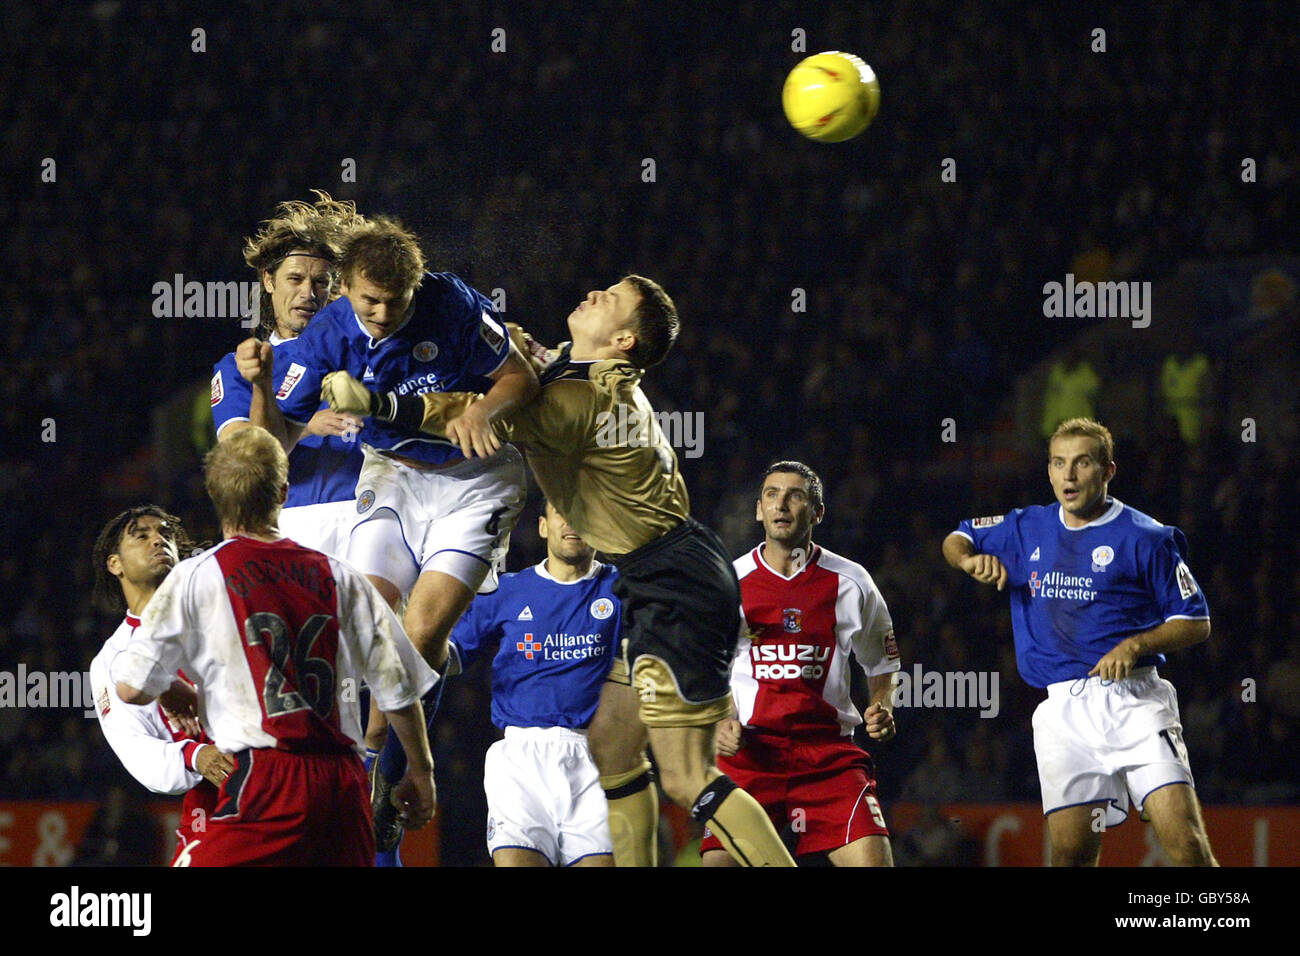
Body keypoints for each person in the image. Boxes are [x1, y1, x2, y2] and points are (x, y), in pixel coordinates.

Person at [323, 276, 798, 866]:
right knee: (616, 756)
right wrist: (523, 356)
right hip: (658, 577)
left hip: (675, 584)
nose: (595, 293)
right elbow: (539, 370)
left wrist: (375, 402)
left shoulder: (581, 402)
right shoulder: (586, 378)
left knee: (685, 779)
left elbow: (467, 415)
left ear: (623, 340)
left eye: (613, 298)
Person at [236, 214, 539, 862]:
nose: (380, 313)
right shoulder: (326, 335)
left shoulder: (451, 302)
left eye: (393, 301)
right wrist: (265, 388)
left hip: (477, 484)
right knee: (368, 624)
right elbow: (275, 438)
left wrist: (486, 407)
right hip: (395, 478)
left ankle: (379, 773)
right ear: (346, 287)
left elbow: (521, 377)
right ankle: (373, 771)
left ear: (415, 285)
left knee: (420, 637)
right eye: (368, 299)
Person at [112, 427, 437, 866]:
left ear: (216, 497)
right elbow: (399, 689)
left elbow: (132, 688)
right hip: (343, 784)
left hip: (268, 779)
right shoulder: (340, 575)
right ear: (283, 493)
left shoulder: (198, 575)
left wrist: (171, 687)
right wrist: (422, 770)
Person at [941, 417, 1217, 866]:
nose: (1068, 475)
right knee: (1070, 857)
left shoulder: (1146, 536)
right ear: (1049, 471)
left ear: (1108, 471)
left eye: (1082, 463)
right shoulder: (1026, 525)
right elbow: (957, 536)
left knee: (1185, 846)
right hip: (1062, 714)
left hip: (1137, 705)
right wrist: (969, 562)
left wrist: (1134, 645)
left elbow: (1195, 620)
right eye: (1058, 464)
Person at [703, 461, 900, 867]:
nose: (782, 505)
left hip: (828, 758)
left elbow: (882, 660)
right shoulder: (728, 581)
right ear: (758, 509)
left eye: (795, 495)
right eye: (772, 494)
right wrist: (721, 721)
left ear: (817, 512)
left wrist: (883, 704)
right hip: (752, 758)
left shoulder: (852, 582)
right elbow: (708, 668)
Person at [449, 502, 620, 867]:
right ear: (543, 526)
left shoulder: (623, 590)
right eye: (562, 511)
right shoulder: (507, 591)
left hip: (597, 758)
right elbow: (447, 654)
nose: (572, 520)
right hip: (521, 759)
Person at [211, 192, 366, 557]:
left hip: (371, 516)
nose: (307, 293)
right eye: (294, 279)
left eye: (320, 283)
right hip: (290, 525)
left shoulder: (364, 348)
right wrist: (306, 424)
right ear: (268, 281)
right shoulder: (239, 366)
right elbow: (249, 463)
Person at [89, 504, 230, 865]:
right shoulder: (111, 661)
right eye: (142, 535)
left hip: (282, 773)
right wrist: (196, 754)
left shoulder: (225, 607)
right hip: (213, 801)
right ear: (114, 564)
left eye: (165, 533)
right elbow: (136, 750)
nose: (158, 541)